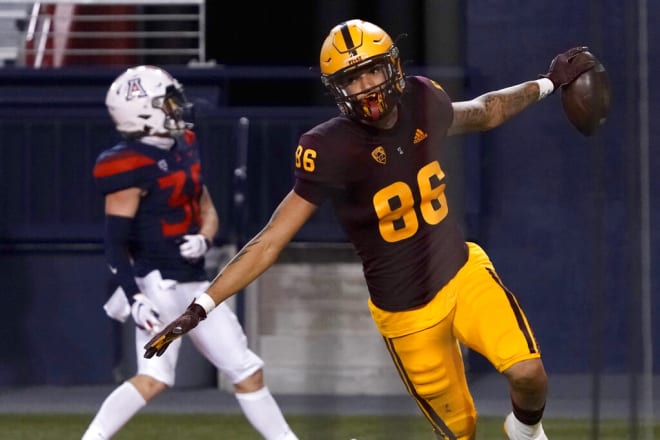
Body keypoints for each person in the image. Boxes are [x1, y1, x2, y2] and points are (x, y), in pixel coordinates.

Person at [143, 20, 595, 440]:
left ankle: (525, 433)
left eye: (372, 71)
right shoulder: (329, 147)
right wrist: (201, 307)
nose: (366, 87)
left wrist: (549, 82)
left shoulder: (422, 99)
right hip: (406, 312)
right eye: (351, 80)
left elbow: (485, 110)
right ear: (337, 91)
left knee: (529, 374)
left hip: (461, 273)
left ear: (393, 67)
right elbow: (270, 240)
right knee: (461, 432)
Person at [83, 65, 298, 440]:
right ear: (143, 113)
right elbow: (114, 242)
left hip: (196, 285)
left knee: (246, 371)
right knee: (154, 378)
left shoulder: (184, 143)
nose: (177, 107)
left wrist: (205, 236)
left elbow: (205, 204)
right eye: (167, 101)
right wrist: (135, 298)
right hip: (158, 286)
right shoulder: (127, 164)